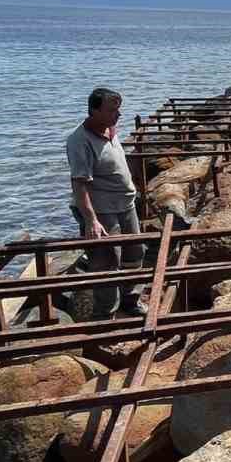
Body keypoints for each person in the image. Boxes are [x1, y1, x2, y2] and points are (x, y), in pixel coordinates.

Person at [66, 88, 145, 318]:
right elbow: (79, 184)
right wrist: (91, 220)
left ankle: (130, 301)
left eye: (118, 109)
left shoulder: (110, 129)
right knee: (106, 263)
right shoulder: (79, 141)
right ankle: (106, 315)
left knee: (135, 254)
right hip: (102, 211)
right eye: (112, 110)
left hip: (126, 204)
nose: (118, 115)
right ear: (94, 111)